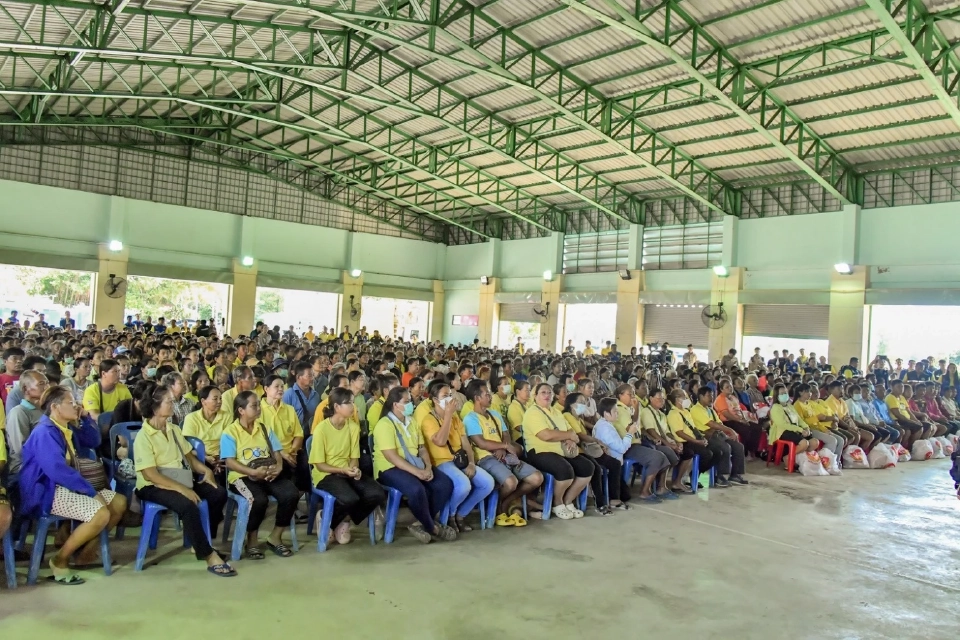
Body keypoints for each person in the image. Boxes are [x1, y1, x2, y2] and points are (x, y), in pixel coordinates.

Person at [19, 386, 127, 585]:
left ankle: (85, 553)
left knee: (118, 503)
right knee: (100, 512)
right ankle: (60, 559)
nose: (76, 405)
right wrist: (90, 492)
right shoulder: (45, 431)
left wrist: (84, 418)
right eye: (70, 402)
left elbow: (93, 440)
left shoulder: (66, 427)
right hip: (46, 490)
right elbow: (56, 470)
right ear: (55, 407)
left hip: (65, 485)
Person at [133, 384, 233, 576]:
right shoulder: (143, 436)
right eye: (169, 402)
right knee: (188, 504)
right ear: (155, 407)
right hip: (152, 485)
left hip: (178, 477)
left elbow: (189, 457)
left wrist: (206, 471)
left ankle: (200, 541)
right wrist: (182, 489)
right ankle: (209, 556)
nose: (173, 405)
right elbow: (150, 474)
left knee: (218, 493)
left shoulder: (172, 429)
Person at [372, 385, 457, 543]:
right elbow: (391, 457)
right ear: (396, 405)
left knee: (445, 484)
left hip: (414, 463)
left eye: (411, 400)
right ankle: (432, 527)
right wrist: (417, 473)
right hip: (390, 468)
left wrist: (428, 467)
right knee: (417, 489)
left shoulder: (411, 422)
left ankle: (421, 523)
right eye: (407, 401)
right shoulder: (384, 425)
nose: (411, 404)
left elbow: (422, 448)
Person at [221, 391, 299, 559]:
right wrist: (252, 472)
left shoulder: (263, 428)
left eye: (258, 405)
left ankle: (275, 536)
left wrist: (278, 467)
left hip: (267, 472)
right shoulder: (230, 432)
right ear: (241, 410)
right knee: (258, 500)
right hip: (242, 476)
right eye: (254, 406)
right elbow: (229, 462)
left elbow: (276, 451)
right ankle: (252, 539)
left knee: (291, 493)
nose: (258, 409)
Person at [309, 387, 385, 546]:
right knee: (350, 498)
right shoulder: (322, 429)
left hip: (346, 471)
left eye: (353, 402)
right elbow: (319, 464)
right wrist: (342, 470)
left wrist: (354, 469)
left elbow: (354, 457)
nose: (353, 407)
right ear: (336, 407)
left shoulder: (353, 427)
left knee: (377, 493)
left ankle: (343, 519)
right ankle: (327, 518)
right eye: (348, 403)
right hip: (326, 474)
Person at [463, 379, 543, 525]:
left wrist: (503, 446)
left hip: (504, 454)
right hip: (486, 457)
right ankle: (497, 506)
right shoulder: (470, 418)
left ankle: (507, 500)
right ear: (477, 398)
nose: (490, 396)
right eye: (486, 394)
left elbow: (506, 434)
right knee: (510, 482)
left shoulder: (494, 414)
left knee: (536, 478)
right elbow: (481, 442)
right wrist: (504, 447)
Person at [421, 380, 495, 531]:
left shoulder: (456, 418)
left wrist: (472, 463)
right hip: (441, 462)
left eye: (450, 395)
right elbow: (440, 441)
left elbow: (465, 442)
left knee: (487, 483)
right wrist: (447, 416)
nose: (449, 399)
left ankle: (460, 514)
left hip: (460, 459)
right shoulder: (429, 420)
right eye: (445, 396)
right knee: (463, 485)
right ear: (435, 400)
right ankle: (448, 515)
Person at [521, 383, 595, 519]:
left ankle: (568, 501)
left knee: (587, 467)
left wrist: (571, 439)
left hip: (561, 450)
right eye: (543, 392)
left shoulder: (556, 412)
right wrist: (568, 436)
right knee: (565, 470)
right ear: (535, 396)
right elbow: (545, 435)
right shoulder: (532, 412)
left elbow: (571, 431)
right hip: (540, 451)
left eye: (549, 392)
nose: (547, 395)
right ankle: (557, 503)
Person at [562, 392, 623, 513]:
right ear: (571, 404)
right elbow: (581, 436)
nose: (584, 404)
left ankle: (614, 498)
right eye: (581, 402)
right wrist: (598, 441)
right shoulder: (567, 416)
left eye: (585, 402)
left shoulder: (578, 418)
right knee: (596, 469)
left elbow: (587, 429)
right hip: (579, 451)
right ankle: (599, 503)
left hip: (587, 449)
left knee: (614, 463)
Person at [609, 384, 671, 501]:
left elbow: (634, 422)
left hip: (636, 443)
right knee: (657, 457)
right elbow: (631, 427)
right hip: (628, 446)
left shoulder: (626, 408)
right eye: (629, 394)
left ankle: (660, 488)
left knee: (665, 456)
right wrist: (636, 409)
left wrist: (636, 408)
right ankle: (644, 491)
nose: (633, 396)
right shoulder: (620, 409)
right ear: (620, 395)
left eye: (633, 393)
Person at [690, 387, 748, 486]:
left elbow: (719, 423)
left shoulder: (710, 409)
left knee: (738, 447)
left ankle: (734, 474)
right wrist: (729, 430)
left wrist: (726, 433)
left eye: (712, 395)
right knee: (725, 447)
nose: (711, 398)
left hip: (717, 434)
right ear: (701, 396)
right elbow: (712, 424)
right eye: (708, 396)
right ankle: (719, 476)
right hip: (706, 436)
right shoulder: (696, 409)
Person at [260, 374, 307, 493]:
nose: (281, 389)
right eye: (277, 386)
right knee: (283, 467)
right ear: (266, 389)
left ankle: (301, 495)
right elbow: (261, 438)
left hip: (291, 451)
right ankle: (289, 496)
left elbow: (298, 434)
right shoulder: (259, 410)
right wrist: (282, 454)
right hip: (271, 452)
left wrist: (293, 451)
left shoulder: (289, 409)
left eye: (282, 386)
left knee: (307, 464)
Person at [639, 388, 690, 496]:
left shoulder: (661, 414)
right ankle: (661, 486)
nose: (662, 401)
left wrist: (676, 442)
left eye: (663, 398)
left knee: (678, 452)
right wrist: (669, 445)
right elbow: (651, 431)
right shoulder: (646, 411)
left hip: (662, 441)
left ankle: (662, 485)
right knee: (668, 453)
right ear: (651, 398)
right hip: (652, 443)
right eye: (659, 398)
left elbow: (667, 432)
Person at [664, 389, 717, 486]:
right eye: (684, 397)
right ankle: (686, 478)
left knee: (717, 451)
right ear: (677, 399)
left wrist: (701, 438)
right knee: (707, 454)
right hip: (684, 442)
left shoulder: (686, 412)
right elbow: (680, 433)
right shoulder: (673, 413)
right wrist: (697, 442)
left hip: (692, 440)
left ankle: (694, 475)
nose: (687, 399)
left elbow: (693, 428)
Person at [5, 370, 48, 475]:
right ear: (26, 389)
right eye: (41, 384)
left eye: (47, 383)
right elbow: (22, 449)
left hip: (46, 464)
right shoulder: (19, 412)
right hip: (25, 470)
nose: (47, 387)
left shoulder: (46, 410)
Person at [792, 383, 844, 458]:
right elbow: (801, 422)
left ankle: (835, 463)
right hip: (808, 430)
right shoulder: (797, 405)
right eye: (807, 391)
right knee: (832, 441)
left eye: (810, 391)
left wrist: (824, 429)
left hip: (817, 427)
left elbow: (817, 422)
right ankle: (825, 461)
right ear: (800, 392)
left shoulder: (808, 404)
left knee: (840, 440)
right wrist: (816, 418)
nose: (810, 393)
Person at [713, 379, 763, 457]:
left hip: (738, 419)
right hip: (728, 422)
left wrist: (744, 419)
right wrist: (740, 420)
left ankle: (752, 450)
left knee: (757, 427)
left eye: (730, 386)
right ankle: (744, 452)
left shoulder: (733, 397)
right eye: (727, 387)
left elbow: (739, 409)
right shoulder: (720, 399)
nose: (730, 388)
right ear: (721, 389)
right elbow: (726, 414)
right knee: (745, 429)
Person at [767, 383, 817, 460]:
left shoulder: (789, 406)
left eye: (785, 393)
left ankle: (798, 458)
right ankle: (787, 458)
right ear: (777, 396)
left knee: (814, 442)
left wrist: (806, 427)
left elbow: (799, 419)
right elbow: (783, 424)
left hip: (795, 429)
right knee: (804, 443)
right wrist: (800, 429)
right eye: (782, 394)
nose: (784, 395)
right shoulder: (776, 407)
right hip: (783, 431)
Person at [282, 361, 320, 435]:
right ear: (299, 377)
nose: (313, 378)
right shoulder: (289, 394)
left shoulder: (316, 395)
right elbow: (283, 418)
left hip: (312, 434)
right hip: (294, 435)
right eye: (309, 375)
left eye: (313, 375)